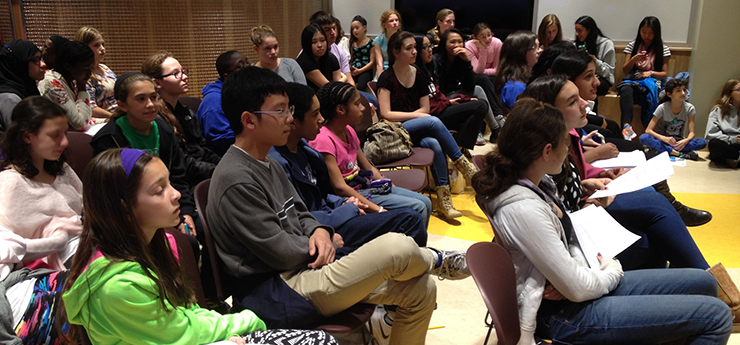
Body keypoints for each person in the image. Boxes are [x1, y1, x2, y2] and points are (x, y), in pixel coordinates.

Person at [208, 66, 469, 343]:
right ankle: (436, 260)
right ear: (249, 120)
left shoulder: (267, 162)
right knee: (398, 247)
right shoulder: (236, 179)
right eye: (281, 111)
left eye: (290, 109)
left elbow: (302, 213)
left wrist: (320, 230)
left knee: (421, 289)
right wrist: (326, 242)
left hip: (301, 271)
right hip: (276, 292)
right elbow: (280, 252)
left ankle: (430, 266)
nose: (289, 118)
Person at [471, 97, 733, 345]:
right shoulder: (523, 207)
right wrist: (612, 269)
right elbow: (576, 289)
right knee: (717, 316)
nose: (571, 151)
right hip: (561, 316)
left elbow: (569, 252)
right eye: (566, 143)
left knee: (705, 282)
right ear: (547, 151)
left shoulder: (540, 184)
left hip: (579, 288)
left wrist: (582, 272)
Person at [59, 148, 338, 345]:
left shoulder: (159, 242)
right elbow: (180, 332)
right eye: (159, 190)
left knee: (320, 339)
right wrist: (246, 321)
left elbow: (187, 312)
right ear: (124, 209)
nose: (176, 193)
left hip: (194, 336)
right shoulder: (116, 286)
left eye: (170, 183)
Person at [549, 51, 713, 227]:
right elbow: (567, 170)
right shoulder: (554, 128)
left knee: (645, 161)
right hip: (583, 200)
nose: (597, 82)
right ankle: (674, 210)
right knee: (655, 203)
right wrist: (595, 155)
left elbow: (575, 161)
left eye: (595, 75)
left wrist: (600, 168)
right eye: (589, 76)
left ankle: (674, 208)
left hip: (590, 183)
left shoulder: (573, 124)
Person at [269, 82, 427, 254]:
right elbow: (304, 214)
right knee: (412, 216)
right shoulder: (283, 161)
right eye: (315, 114)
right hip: (327, 222)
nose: (321, 119)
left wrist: (344, 202)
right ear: (293, 121)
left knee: (422, 203)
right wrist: (350, 208)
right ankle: (417, 263)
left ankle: (416, 262)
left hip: (341, 206)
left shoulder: (306, 151)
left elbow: (324, 196)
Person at [377, 31, 479, 219]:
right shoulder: (387, 78)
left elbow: (425, 108)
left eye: (414, 48)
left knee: (433, 143)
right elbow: (386, 114)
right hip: (396, 131)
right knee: (432, 121)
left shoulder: (419, 74)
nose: (414, 52)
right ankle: (462, 164)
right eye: (409, 48)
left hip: (416, 127)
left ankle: (443, 199)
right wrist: (416, 117)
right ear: (396, 52)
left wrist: (416, 117)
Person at [309, 81, 433, 223]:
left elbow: (368, 167)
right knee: (419, 207)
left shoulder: (348, 130)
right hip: (351, 196)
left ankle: (417, 243)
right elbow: (340, 188)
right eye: (357, 104)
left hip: (364, 187)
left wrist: (389, 185)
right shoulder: (324, 140)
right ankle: (410, 243)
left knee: (425, 202)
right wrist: (377, 209)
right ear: (340, 110)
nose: (363, 108)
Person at [90, 72, 196, 237]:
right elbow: (109, 194)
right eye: (141, 99)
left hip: (166, 205)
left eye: (154, 97)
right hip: (131, 218)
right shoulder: (109, 139)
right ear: (122, 105)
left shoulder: (165, 131)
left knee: (196, 233)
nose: (151, 104)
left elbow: (178, 178)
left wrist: (186, 213)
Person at [0, 96, 81, 274]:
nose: (65, 142)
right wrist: (59, 237)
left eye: (65, 134)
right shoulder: (11, 183)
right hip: (44, 267)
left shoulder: (62, 169)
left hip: (82, 246)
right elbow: (8, 243)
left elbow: (86, 209)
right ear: (27, 136)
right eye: (55, 136)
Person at [141, 51, 221, 187]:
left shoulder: (186, 112)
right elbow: (181, 163)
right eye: (175, 73)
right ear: (157, 83)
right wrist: (220, 172)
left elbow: (202, 149)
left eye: (183, 71)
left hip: (202, 174)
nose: (184, 77)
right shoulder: (156, 119)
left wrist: (224, 165)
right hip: (180, 183)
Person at [430, 29, 503, 144]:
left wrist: (467, 61)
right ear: (444, 44)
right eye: (452, 42)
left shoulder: (460, 59)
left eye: (460, 42)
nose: (457, 45)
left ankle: (494, 128)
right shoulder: (435, 60)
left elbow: (469, 86)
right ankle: (494, 128)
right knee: (478, 95)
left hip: (453, 94)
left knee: (478, 88)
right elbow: (439, 89)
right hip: (442, 100)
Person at [416, 34, 487, 149]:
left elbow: (438, 93)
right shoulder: (422, 70)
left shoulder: (425, 69)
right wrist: (448, 102)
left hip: (442, 105)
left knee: (479, 101)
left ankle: (458, 149)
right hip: (432, 115)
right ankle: (458, 149)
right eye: (425, 47)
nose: (430, 50)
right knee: (480, 106)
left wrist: (467, 61)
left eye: (430, 46)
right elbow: (429, 105)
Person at [618, 16, 671, 140]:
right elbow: (625, 70)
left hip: (652, 82)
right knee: (626, 89)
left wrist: (651, 73)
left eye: (651, 33)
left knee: (649, 93)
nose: (646, 36)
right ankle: (626, 127)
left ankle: (650, 132)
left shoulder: (663, 48)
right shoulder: (633, 45)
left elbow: (664, 73)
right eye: (643, 32)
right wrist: (633, 60)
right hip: (633, 80)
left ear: (656, 33)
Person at [198, 50, 249, 156]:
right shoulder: (214, 100)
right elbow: (221, 140)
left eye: (247, 62)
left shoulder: (241, 91)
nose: (248, 68)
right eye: (241, 67)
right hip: (222, 157)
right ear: (227, 76)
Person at [641, 78, 705, 160]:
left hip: (678, 141)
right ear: (669, 94)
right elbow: (648, 130)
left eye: (684, 90)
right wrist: (664, 138)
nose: (683, 93)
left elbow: (692, 133)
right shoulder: (662, 108)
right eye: (678, 91)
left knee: (702, 142)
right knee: (644, 137)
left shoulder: (690, 108)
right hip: (662, 140)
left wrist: (686, 141)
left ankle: (663, 150)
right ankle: (676, 152)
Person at [37, 40, 95, 131]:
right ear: (68, 66)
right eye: (85, 68)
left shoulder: (69, 81)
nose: (90, 73)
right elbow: (79, 123)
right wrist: (82, 88)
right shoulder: (52, 83)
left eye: (90, 68)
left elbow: (84, 118)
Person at [0, 40, 47, 133]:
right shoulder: (10, 99)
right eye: (36, 60)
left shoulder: (26, 87)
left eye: (41, 58)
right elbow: (22, 138)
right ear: (19, 64)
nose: (43, 65)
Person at [75, 26, 117, 119]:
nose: (102, 48)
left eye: (103, 44)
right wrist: (115, 117)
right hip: (104, 120)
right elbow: (91, 108)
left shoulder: (105, 68)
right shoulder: (84, 75)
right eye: (96, 45)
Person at [494, 30, 542, 109]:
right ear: (521, 53)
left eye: (539, 46)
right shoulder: (515, 87)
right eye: (535, 47)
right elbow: (521, 118)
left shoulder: (522, 81)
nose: (540, 51)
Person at [574, 16, 615, 100]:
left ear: (589, 30)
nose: (577, 34)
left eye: (580, 31)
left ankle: (591, 112)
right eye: (576, 30)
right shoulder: (577, 44)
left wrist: (595, 61)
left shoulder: (606, 44)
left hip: (602, 79)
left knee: (591, 87)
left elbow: (609, 73)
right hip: (583, 77)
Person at [309, 11, 354, 87]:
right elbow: (328, 87)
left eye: (333, 28)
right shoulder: (307, 55)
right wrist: (344, 78)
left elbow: (350, 82)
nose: (333, 32)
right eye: (327, 29)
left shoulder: (339, 51)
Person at [296, 24, 342, 92]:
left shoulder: (331, 57)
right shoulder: (304, 62)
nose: (320, 45)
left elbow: (339, 89)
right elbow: (329, 88)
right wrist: (344, 78)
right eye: (314, 42)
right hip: (310, 99)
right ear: (307, 44)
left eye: (322, 40)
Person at [706, 78, 740, 168]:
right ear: (730, 93)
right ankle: (735, 158)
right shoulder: (717, 111)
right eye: (739, 90)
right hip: (726, 144)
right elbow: (711, 135)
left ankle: (730, 159)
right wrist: (734, 139)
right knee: (714, 144)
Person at [349, 15, 376, 92]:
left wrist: (359, 71)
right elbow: (352, 58)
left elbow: (372, 62)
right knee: (347, 85)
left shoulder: (371, 43)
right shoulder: (352, 42)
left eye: (357, 28)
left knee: (361, 86)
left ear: (364, 28)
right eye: (353, 29)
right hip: (354, 69)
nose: (355, 31)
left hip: (365, 70)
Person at [373, 9, 402, 78]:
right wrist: (381, 78)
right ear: (384, 25)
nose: (395, 23)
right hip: (383, 70)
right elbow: (379, 63)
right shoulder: (379, 40)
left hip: (399, 69)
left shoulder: (403, 38)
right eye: (391, 21)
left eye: (396, 20)